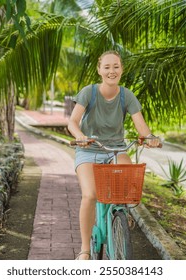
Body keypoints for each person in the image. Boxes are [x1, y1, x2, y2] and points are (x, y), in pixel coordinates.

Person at [67, 50, 160, 260]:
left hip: (115, 150)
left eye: (116, 66)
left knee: (126, 186)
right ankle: (84, 250)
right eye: (107, 67)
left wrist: (150, 138)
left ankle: (120, 219)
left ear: (122, 69)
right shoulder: (88, 93)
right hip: (88, 150)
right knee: (90, 195)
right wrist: (80, 136)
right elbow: (72, 122)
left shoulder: (127, 95)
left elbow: (142, 128)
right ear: (99, 70)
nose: (111, 71)